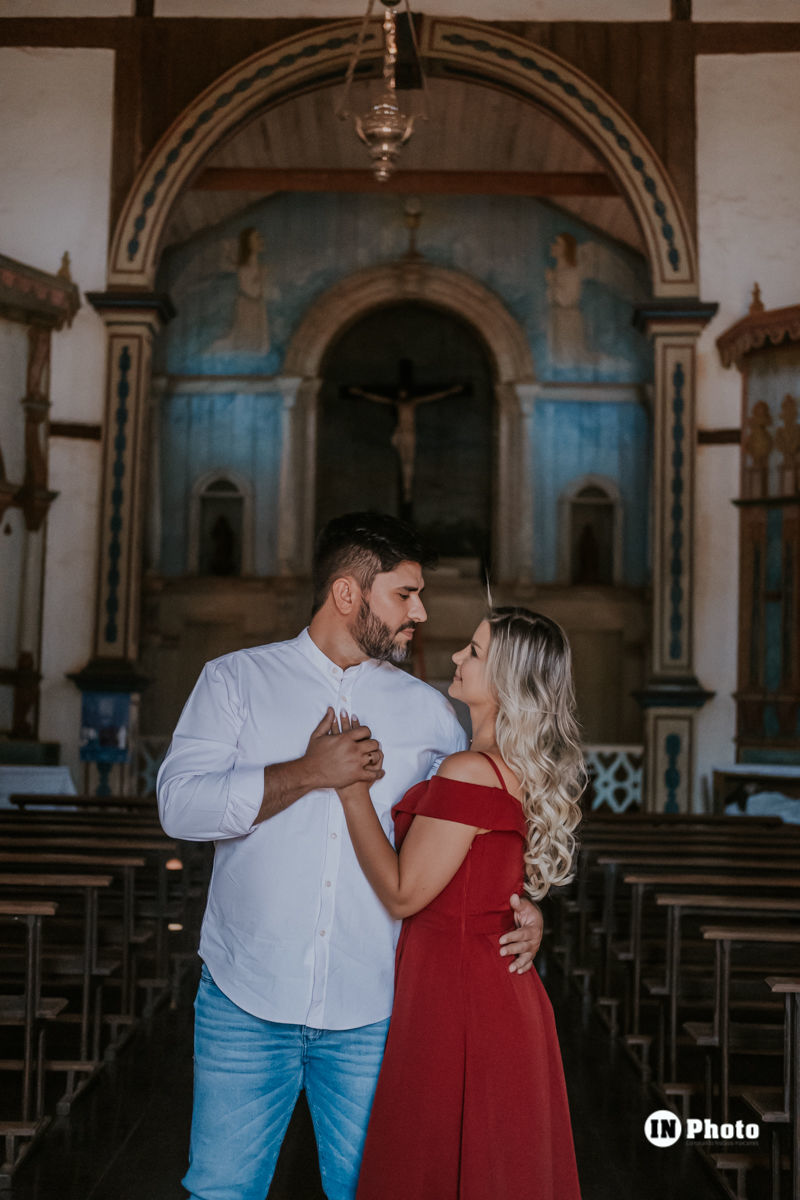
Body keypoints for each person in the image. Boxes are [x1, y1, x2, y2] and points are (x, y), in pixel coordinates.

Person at [157, 512, 544, 1200]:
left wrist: (520, 908)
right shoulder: (235, 681)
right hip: (246, 999)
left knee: (377, 1191)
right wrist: (308, 772)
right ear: (347, 594)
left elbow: (460, 841)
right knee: (220, 1191)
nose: (420, 613)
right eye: (404, 594)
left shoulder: (432, 714)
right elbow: (179, 808)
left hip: (375, 1006)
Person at [333, 606, 584, 1199]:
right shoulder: (507, 769)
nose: (456, 657)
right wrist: (529, 914)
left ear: (508, 680)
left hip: (461, 999)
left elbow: (400, 893)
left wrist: (350, 794)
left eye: (474, 651)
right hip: (487, 991)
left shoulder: (470, 771)